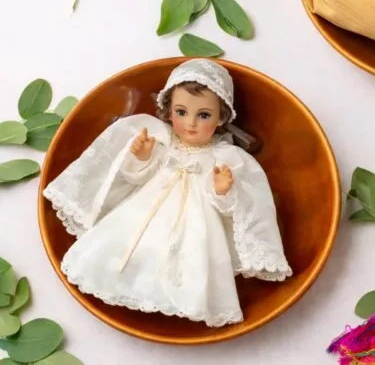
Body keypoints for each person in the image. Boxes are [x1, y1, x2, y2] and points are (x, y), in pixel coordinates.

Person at [43, 58, 292, 327]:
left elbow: (234, 212)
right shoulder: (160, 140)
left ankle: (179, 297)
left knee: (190, 259)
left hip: (197, 223)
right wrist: (140, 158)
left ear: (221, 118)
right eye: (182, 112)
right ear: (168, 111)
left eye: (204, 115)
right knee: (130, 244)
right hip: (145, 210)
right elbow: (135, 179)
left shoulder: (225, 157)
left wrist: (222, 191)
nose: (191, 123)